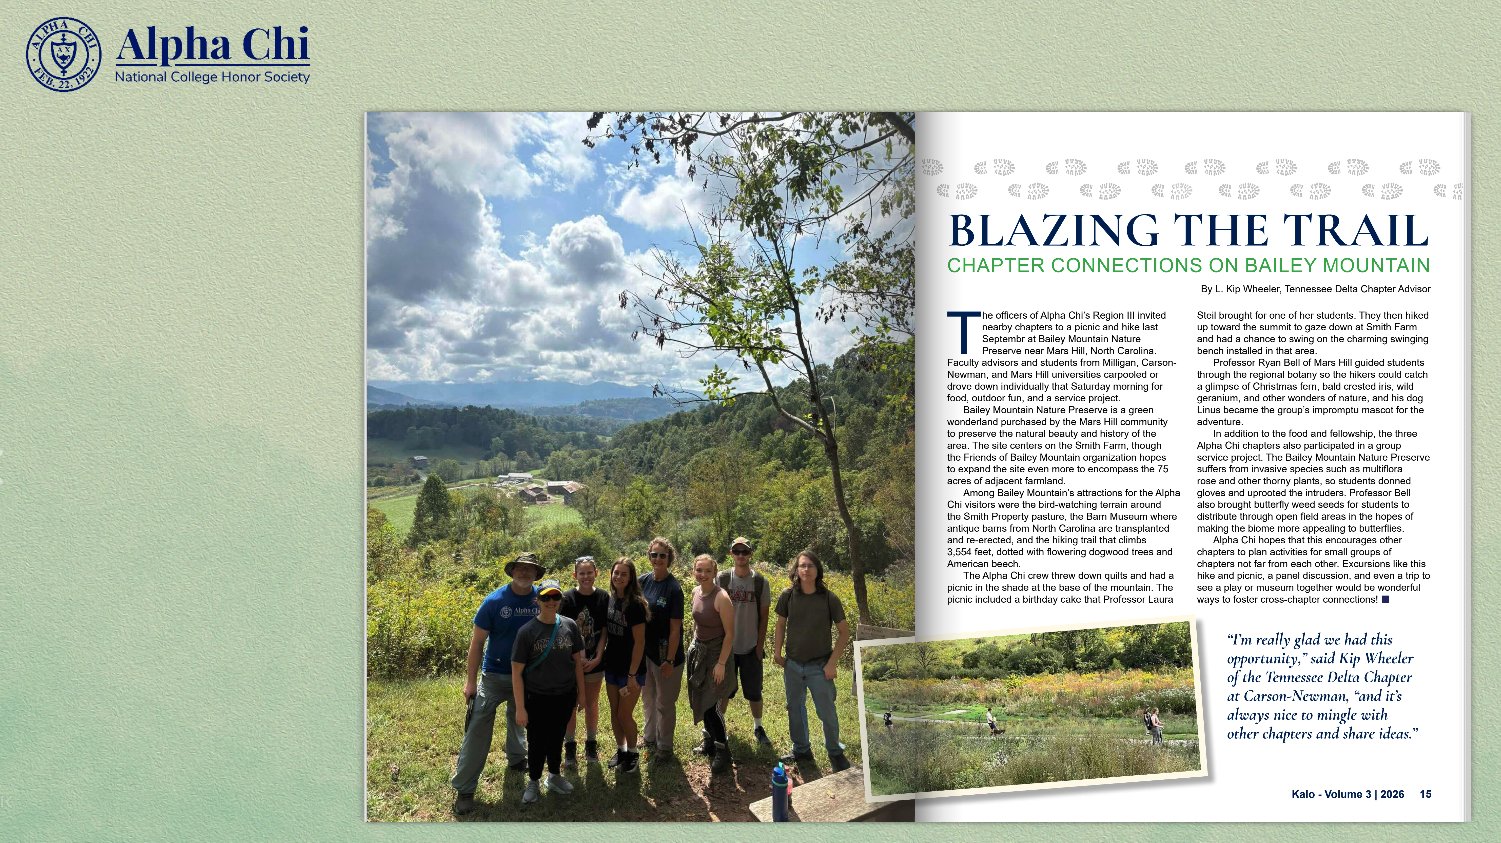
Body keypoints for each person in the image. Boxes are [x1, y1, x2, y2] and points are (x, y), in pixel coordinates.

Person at [452, 553, 544, 815]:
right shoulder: (494, 601)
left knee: (519, 718)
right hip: (493, 676)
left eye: (530, 569)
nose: (525, 573)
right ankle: (465, 789)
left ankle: (517, 759)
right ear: (512, 571)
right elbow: (477, 644)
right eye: (520, 568)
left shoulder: (542, 600)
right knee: (478, 727)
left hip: (527, 677)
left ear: (536, 574)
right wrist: (471, 682)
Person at [772, 550, 853, 773]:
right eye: (802, 566)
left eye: (810, 566)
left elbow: (844, 633)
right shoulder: (787, 596)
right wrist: (777, 653)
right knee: (795, 709)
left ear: (818, 570)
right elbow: (780, 625)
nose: (806, 570)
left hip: (820, 666)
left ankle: (835, 752)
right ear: (796, 570)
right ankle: (801, 750)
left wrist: (832, 663)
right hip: (793, 665)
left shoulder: (829, 598)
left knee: (826, 712)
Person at [512, 580, 586, 804]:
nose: (551, 602)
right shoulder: (527, 632)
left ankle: (554, 776)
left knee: (556, 737)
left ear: (560, 601)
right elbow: (516, 672)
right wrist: (520, 708)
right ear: (537, 601)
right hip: (536, 696)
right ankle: (533, 781)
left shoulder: (569, 625)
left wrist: (581, 694)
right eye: (546, 598)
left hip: (564, 694)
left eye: (556, 598)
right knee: (536, 740)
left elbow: (577, 663)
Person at [714, 537, 773, 749]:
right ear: (731, 553)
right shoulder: (721, 580)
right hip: (726, 649)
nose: (741, 555)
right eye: (737, 551)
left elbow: (764, 617)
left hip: (750, 647)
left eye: (744, 552)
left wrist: (759, 646)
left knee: (754, 691)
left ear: (750, 554)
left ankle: (758, 727)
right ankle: (718, 728)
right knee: (723, 691)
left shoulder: (760, 583)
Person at [686, 554, 737, 774]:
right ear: (694, 571)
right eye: (699, 570)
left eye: (707, 570)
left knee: (712, 705)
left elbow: (730, 634)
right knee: (700, 699)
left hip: (717, 654)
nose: (703, 574)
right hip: (700, 653)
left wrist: (721, 663)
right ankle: (709, 742)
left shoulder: (721, 597)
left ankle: (723, 750)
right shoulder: (695, 592)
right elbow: (698, 625)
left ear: (715, 572)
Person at [559, 556, 609, 766]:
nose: (586, 577)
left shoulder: (603, 597)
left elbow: (604, 630)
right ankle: (569, 747)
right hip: (571, 663)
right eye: (582, 573)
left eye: (589, 572)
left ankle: (591, 744)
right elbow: (562, 630)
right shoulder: (567, 599)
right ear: (575, 575)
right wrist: (577, 657)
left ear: (596, 573)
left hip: (595, 661)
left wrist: (598, 656)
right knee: (571, 704)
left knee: (591, 703)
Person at [638, 537, 685, 763]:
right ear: (649, 556)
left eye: (662, 555)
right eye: (654, 554)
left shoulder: (674, 588)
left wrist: (669, 660)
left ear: (669, 559)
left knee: (665, 703)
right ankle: (649, 738)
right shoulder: (643, 582)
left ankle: (664, 747)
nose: (657, 559)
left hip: (667, 654)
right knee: (648, 697)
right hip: (646, 652)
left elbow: (676, 629)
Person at [603, 557, 649, 773]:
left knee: (624, 714)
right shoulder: (611, 599)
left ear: (631, 578)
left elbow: (640, 643)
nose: (619, 577)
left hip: (631, 670)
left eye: (623, 574)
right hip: (611, 666)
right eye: (616, 573)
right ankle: (621, 751)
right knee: (614, 712)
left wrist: (632, 675)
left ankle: (633, 753)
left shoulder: (636, 605)